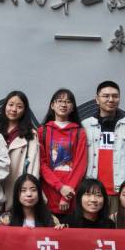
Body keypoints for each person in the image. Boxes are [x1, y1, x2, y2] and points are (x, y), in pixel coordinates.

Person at [81, 81, 125, 212]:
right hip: (92, 192)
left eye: (115, 96)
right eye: (106, 96)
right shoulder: (86, 125)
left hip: (119, 192)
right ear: (97, 99)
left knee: (117, 224)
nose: (111, 99)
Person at [38, 88, 86, 216]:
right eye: (59, 101)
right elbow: (41, 164)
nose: (63, 104)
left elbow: (80, 166)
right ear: (52, 105)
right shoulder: (42, 131)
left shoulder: (79, 132)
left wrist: (67, 196)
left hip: (71, 193)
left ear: (73, 108)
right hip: (48, 192)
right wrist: (60, 187)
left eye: (68, 102)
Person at [0, 90, 40, 211]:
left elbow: (33, 168)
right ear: (5, 106)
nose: (14, 109)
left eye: (19, 106)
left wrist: (28, 190)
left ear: (25, 110)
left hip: (17, 185)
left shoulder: (30, 135)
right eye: (11, 105)